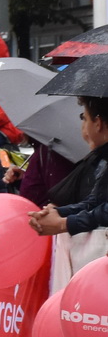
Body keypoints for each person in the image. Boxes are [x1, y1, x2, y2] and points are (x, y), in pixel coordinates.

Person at [29, 97, 108, 237]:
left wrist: (64, 223)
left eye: (84, 118)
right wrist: (58, 213)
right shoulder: (102, 158)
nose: (83, 126)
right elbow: (96, 200)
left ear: (98, 123)